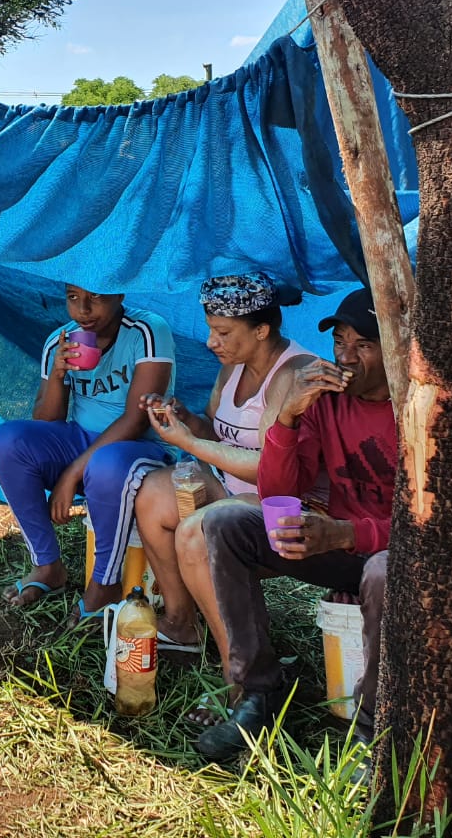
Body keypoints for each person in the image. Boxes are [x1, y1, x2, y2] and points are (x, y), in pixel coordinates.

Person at [191, 287, 396, 761]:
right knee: (227, 521)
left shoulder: (416, 407)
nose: (345, 357)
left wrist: (349, 533)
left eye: (363, 346)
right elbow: (276, 491)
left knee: (382, 573)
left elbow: (433, 524)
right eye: (340, 342)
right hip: (338, 546)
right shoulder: (326, 401)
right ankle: (257, 694)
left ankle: (370, 734)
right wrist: (285, 416)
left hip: (389, 552)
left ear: (398, 345)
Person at [135, 273, 315, 669]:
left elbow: (273, 472)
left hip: (284, 506)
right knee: (151, 494)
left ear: (262, 330)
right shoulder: (234, 364)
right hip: (232, 490)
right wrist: (183, 420)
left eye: (222, 332)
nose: (210, 342)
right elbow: (218, 432)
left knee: (198, 529)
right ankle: (182, 624)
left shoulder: (293, 375)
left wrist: (191, 444)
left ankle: (242, 672)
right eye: (211, 330)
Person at [0, 285, 175, 624]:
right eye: (73, 298)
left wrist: (73, 472)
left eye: (96, 297)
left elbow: (137, 418)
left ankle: (105, 583)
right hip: (82, 440)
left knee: (105, 463)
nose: (83, 310)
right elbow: (47, 421)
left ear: (120, 295)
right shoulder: (59, 341)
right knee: (8, 441)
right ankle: (47, 565)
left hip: (143, 447)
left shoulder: (148, 332)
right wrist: (58, 375)